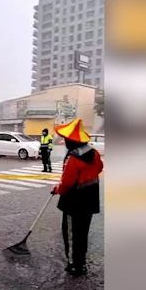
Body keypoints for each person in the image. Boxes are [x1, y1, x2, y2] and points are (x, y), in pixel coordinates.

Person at [51, 118, 103, 276]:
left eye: (67, 139)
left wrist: (57, 189)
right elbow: (100, 167)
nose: (65, 142)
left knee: (72, 234)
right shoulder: (93, 153)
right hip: (89, 200)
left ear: (72, 142)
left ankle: (75, 265)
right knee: (82, 233)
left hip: (73, 203)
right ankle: (80, 261)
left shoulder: (73, 158)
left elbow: (66, 183)